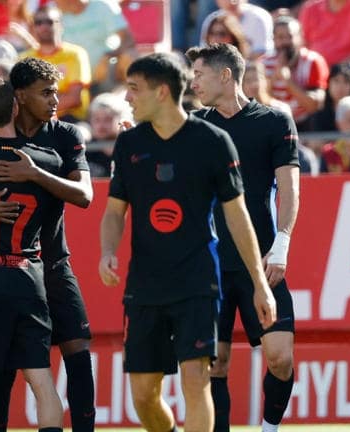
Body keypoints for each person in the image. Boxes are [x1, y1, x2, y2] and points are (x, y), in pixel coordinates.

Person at [99, 52, 277, 432]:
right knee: (143, 395)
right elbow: (115, 211)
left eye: (134, 89)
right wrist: (107, 251)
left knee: (196, 382)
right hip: (144, 285)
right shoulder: (129, 144)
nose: (127, 98)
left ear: (162, 92)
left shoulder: (213, 142)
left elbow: (237, 214)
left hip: (197, 282)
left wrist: (260, 285)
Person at [0, 57, 95, 432]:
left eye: (55, 92)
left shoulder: (63, 137)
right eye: (46, 93)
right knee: (10, 369)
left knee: (77, 353)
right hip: (24, 268)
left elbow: (84, 196)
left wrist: (34, 174)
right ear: (20, 97)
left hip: (51, 262)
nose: (55, 101)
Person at [186, 43, 300, 432]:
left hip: (259, 263)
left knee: (280, 357)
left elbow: (289, 187)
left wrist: (281, 242)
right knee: (214, 366)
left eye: (199, 74)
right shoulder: (194, 126)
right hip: (212, 266)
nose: (193, 82)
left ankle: (269, 429)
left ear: (225, 75)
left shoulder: (274, 121)